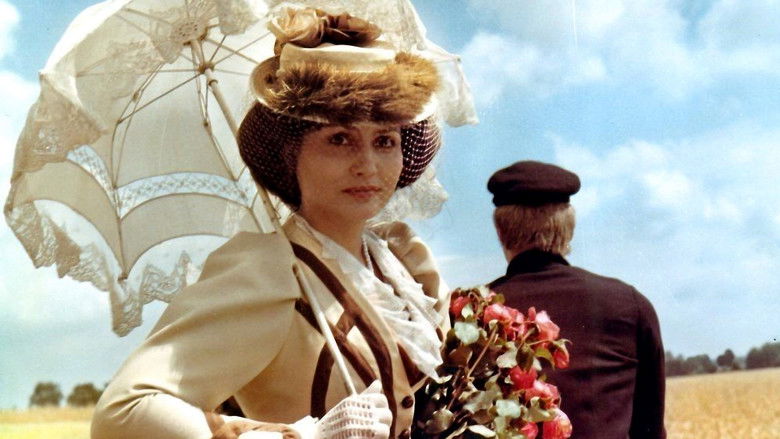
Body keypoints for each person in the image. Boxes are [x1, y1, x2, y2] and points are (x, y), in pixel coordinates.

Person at [92, 6, 465, 439]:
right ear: (289, 154)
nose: (368, 164)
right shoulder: (268, 271)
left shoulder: (403, 261)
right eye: (339, 139)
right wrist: (304, 436)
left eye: (385, 140)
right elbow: (122, 412)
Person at [486, 161, 666, 439]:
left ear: (500, 232)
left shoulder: (473, 311)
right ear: (569, 228)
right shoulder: (630, 305)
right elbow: (650, 431)